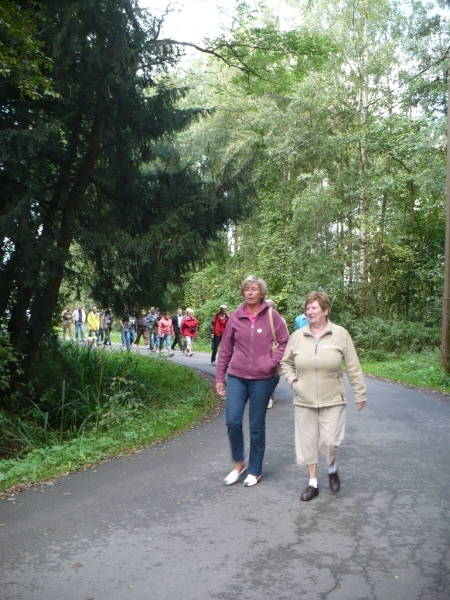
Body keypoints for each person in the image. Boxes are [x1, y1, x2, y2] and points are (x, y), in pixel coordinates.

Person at [280, 291, 367, 502]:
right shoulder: (297, 337)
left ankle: (332, 467)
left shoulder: (340, 334)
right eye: (307, 308)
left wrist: (360, 392)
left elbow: (353, 366)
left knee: (330, 441)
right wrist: (293, 382)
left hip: (333, 398)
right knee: (308, 442)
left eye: (314, 308)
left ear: (326, 311)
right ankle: (313, 484)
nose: (309, 311)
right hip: (304, 399)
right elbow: (285, 363)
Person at [216, 275, 289, 487]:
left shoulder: (272, 315)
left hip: (262, 379)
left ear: (261, 293)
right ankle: (239, 464)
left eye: (254, 289)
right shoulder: (236, 316)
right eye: (246, 289)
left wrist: (270, 362)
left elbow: (285, 341)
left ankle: (255, 470)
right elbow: (226, 348)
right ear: (242, 292)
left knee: (256, 425)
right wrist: (220, 376)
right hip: (237, 376)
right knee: (232, 420)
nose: (250, 292)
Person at [265, 299, 289, 409]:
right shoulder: (260, 319)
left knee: (275, 376)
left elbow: (285, 337)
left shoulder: (280, 320)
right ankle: (266, 396)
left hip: (276, 351)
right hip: (263, 352)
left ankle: (270, 396)